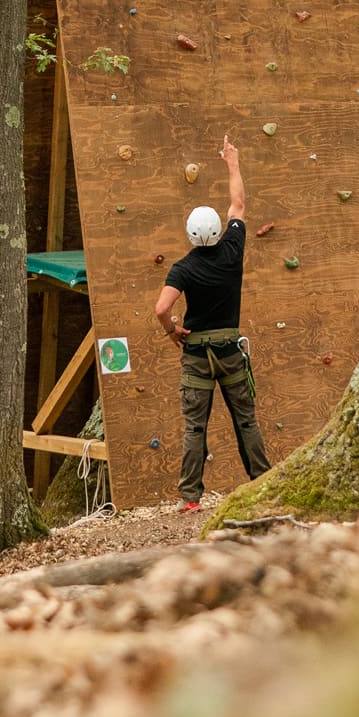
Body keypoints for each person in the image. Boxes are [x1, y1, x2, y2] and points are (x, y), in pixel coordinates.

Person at [154, 135, 271, 512]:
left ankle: (191, 499)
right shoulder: (233, 250)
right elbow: (239, 203)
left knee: (195, 427)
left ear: (189, 234)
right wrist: (231, 162)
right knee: (246, 422)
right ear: (219, 229)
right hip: (230, 351)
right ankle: (262, 483)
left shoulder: (183, 268)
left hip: (196, 354)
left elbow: (161, 309)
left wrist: (172, 330)